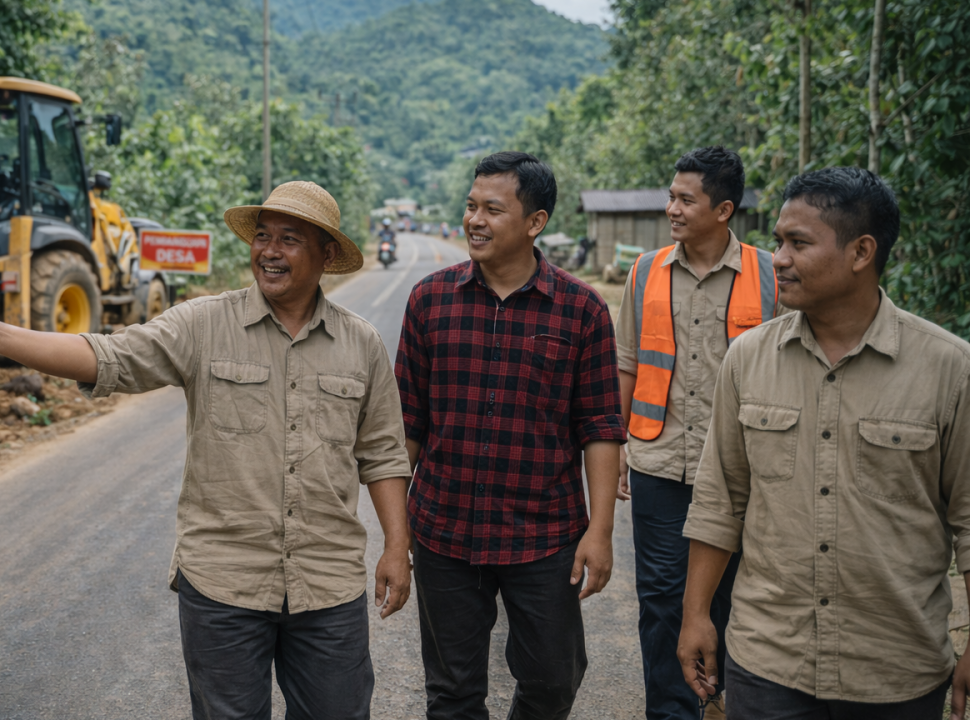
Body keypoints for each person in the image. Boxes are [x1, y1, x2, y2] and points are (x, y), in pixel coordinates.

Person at [0, 181, 414, 720]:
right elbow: (107, 356)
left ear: (327, 255)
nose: (269, 251)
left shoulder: (361, 343)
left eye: (289, 239)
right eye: (263, 236)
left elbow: (382, 453)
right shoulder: (203, 323)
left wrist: (395, 548)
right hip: (223, 584)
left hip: (327, 586)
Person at [677, 166, 970, 719]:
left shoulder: (948, 369)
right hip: (768, 661)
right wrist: (695, 615)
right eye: (778, 242)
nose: (778, 259)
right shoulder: (748, 359)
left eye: (798, 243)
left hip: (895, 670)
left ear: (861, 252)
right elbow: (720, 500)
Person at [394, 151, 625, 720]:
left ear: (535, 222)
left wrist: (600, 532)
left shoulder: (583, 310)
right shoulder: (429, 300)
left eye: (493, 209)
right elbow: (407, 426)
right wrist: (397, 535)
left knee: (553, 681)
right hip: (445, 529)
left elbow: (600, 428)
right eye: (471, 206)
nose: (474, 220)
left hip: (544, 534)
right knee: (451, 694)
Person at [614, 146, 781, 720]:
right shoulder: (645, 271)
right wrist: (619, 444)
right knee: (662, 601)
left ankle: (722, 698)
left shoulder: (771, 275)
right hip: (660, 463)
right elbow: (628, 363)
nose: (672, 209)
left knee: (735, 598)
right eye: (671, 197)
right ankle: (671, 712)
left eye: (686, 200)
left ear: (724, 210)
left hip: (744, 472)